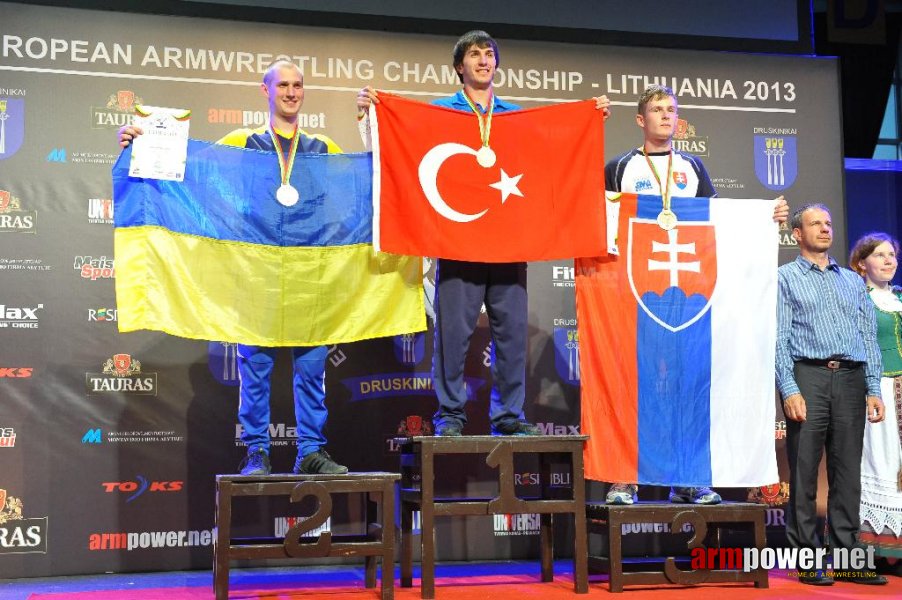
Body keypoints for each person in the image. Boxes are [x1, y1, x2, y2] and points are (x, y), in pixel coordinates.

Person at [356, 30, 610, 436]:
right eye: (474, 54)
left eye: (489, 54)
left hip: (509, 245)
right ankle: (450, 415)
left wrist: (588, 120)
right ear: (460, 66)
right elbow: (394, 150)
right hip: (456, 244)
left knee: (510, 336)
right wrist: (371, 118)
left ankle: (509, 417)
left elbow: (554, 155)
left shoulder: (514, 115)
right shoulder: (440, 113)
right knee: (452, 337)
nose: (483, 60)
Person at [118, 59, 348, 476]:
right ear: (266, 91)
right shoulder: (243, 140)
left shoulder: (323, 146)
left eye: (298, 85)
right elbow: (192, 168)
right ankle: (257, 452)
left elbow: (362, 181)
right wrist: (141, 145)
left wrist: (377, 131)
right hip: (256, 272)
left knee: (312, 369)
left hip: (308, 273)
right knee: (255, 369)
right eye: (283, 86)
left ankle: (311, 451)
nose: (292, 92)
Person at [603, 84, 790, 506]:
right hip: (637, 293)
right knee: (635, 384)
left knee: (687, 387)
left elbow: (718, 222)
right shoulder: (620, 167)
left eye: (672, 109)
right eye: (657, 109)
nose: (667, 116)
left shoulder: (692, 167)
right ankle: (623, 478)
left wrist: (766, 216)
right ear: (640, 120)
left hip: (688, 296)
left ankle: (687, 478)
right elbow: (599, 218)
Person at [776, 204, 886, 586]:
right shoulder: (784, 278)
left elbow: (868, 337)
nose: (824, 229)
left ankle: (847, 558)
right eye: (815, 224)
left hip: (852, 378)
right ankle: (806, 558)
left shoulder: (852, 281)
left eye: (828, 223)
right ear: (797, 234)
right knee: (804, 472)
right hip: (809, 375)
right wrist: (789, 388)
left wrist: (873, 388)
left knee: (847, 473)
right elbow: (778, 339)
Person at [849, 232, 902, 573]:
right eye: (880, 255)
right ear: (862, 263)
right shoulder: (860, 299)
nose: (888, 261)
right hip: (878, 388)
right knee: (879, 462)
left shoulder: (899, 298)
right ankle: (873, 548)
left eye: (892, 255)